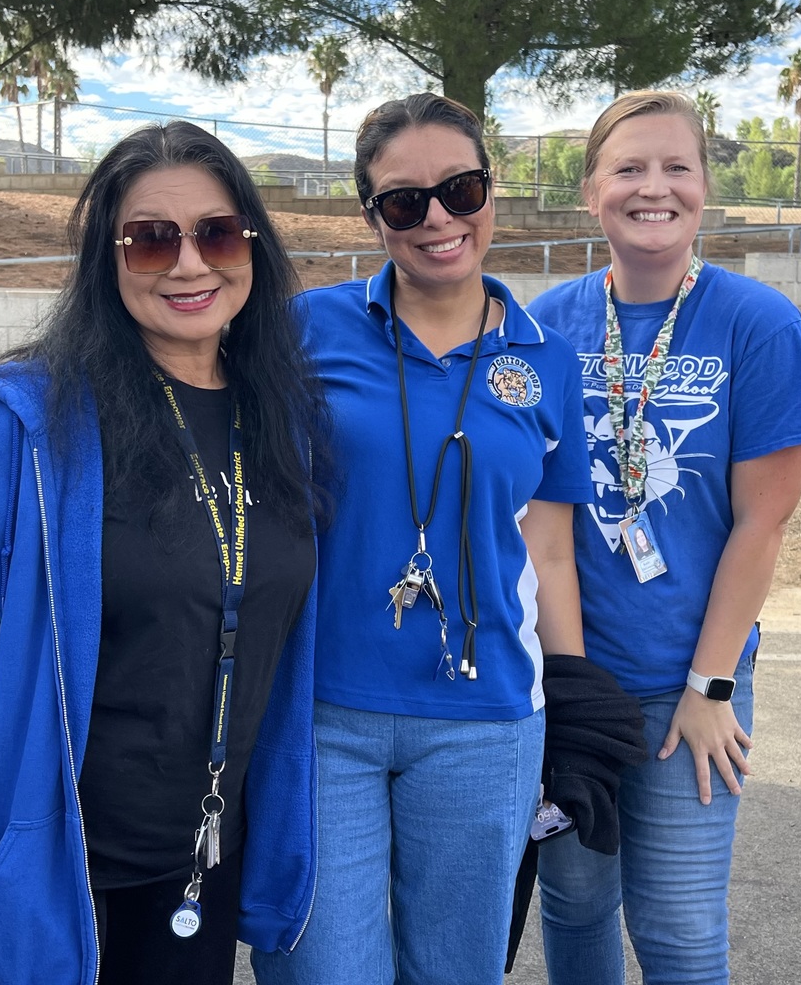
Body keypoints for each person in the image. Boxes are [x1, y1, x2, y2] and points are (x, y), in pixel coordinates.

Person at [0, 120, 330, 985]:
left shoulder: (286, 420)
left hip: (196, 864)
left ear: (253, 247)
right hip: (38, 875)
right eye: (151, 239)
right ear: (107, 261)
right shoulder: (33, 423)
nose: (189, 264)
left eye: (217, 233)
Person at [250, 91, 629, 985]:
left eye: (460, 189)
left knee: (458, 971)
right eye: (403, 200)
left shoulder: (547, 361)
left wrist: (571, 708)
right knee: (320, 971)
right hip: (321, 713)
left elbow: (549, 551)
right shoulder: (305, 331)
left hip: (485, 721)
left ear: (490, 190)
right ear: (371, 214)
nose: (437, 219)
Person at [528, 90, 801, 985]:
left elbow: (761, 522)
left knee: (679, 929)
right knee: (574, 905)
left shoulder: (756, 322)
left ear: (703, 189)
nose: (652, 187)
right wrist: (567, 690)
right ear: (590, 191)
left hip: (687, 682)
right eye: (627, 168)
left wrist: (710, 686)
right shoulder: (546, 325)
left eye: (675, 168)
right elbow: (541, 523)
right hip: (570, 678)